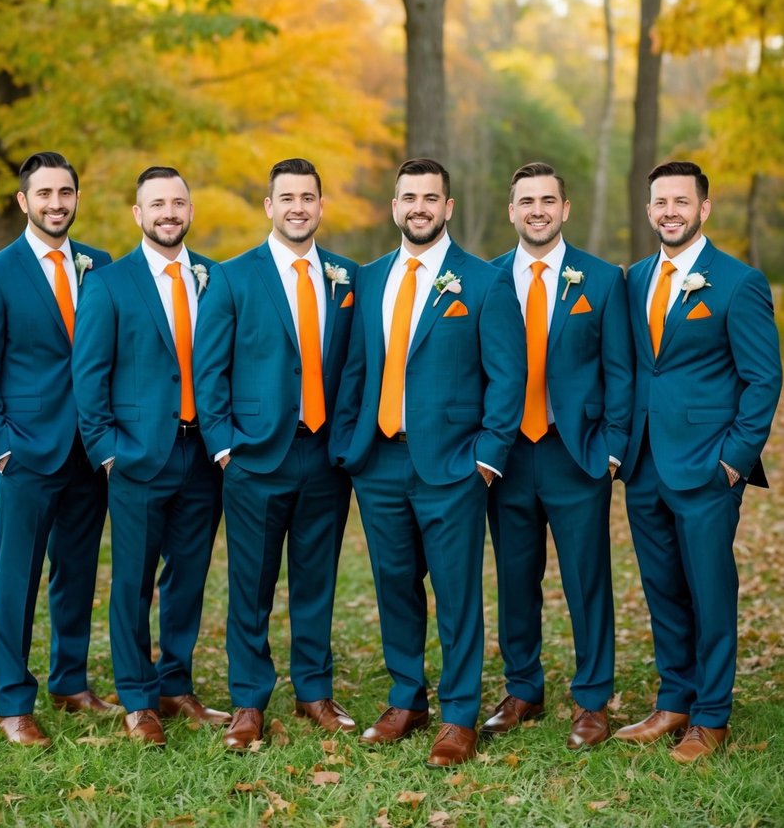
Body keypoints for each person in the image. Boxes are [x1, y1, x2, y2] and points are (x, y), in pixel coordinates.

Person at [329, 158, 527, 767]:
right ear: (396, 207)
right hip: (380, 462)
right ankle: (405, 697)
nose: (419, 206)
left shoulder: (484, 281)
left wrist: (488, 458)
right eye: (408, 196)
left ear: (449, 208)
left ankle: (460, 713)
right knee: (395, 586)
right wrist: (348, 449)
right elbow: (355, 369)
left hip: (454, 466)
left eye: (430, 197)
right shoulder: (369, 278)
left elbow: (508, 374)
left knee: (457, 591)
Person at [614, 161, 781, 762]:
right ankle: (675, 699)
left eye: (681, 201)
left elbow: (763, 378)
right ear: (649, 209)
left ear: (703, 209)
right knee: (661, 588)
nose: (669, 212)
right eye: (660, 202)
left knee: (709, 590)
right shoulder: (631, 280)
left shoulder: (738, 282)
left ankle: (712, 715)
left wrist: (735, 460)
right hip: (644, 463)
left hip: (709, 466)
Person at [193, 157, 358, 750]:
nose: (297, 207)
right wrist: (223, 449)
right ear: (269, 206)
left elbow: (358, 365)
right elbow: (207, 369)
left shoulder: (347, 277)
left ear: (320, 206)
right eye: (286, 197)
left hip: (325, 456)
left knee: (317, 579)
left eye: (308, 197)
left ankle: (314, 691)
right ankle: (248, 701)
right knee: (251, 584)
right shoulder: (233, 278)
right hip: (253, 459)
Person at [0, 151, 113, 747]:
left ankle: (69, 682)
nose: (57, 204)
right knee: (17, 577)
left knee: (76, 572)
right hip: (25, 452)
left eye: (66, 193)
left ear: (77, 198)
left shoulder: (98, 266)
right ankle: (11, 701)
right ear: (24, 202)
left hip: (90, 451)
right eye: (44, 194)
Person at [73, 166, 229, 746]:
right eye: (157, 204)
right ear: (138, 214)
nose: (169, 212)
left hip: (202, 454)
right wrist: (108, 452)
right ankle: (138, 698)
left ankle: (175, 682)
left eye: (178, 202)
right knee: (133, 582)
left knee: (188, 576)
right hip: (137, 458)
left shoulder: (215, 276)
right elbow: (88, 378)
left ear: (190, 211)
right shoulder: (110, 284)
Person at [482, 162, 633, 750]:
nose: (537, 210)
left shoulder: (600, 278)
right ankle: (523, 688)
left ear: (565, 209)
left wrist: (614, 448)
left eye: (548, 200)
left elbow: (618, 369)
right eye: (526, 201)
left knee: (586, 579)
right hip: (508, 455)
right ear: (512, 211)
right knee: (516, 579)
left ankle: (593, 699)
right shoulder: (486, 279)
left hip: (579, 455)